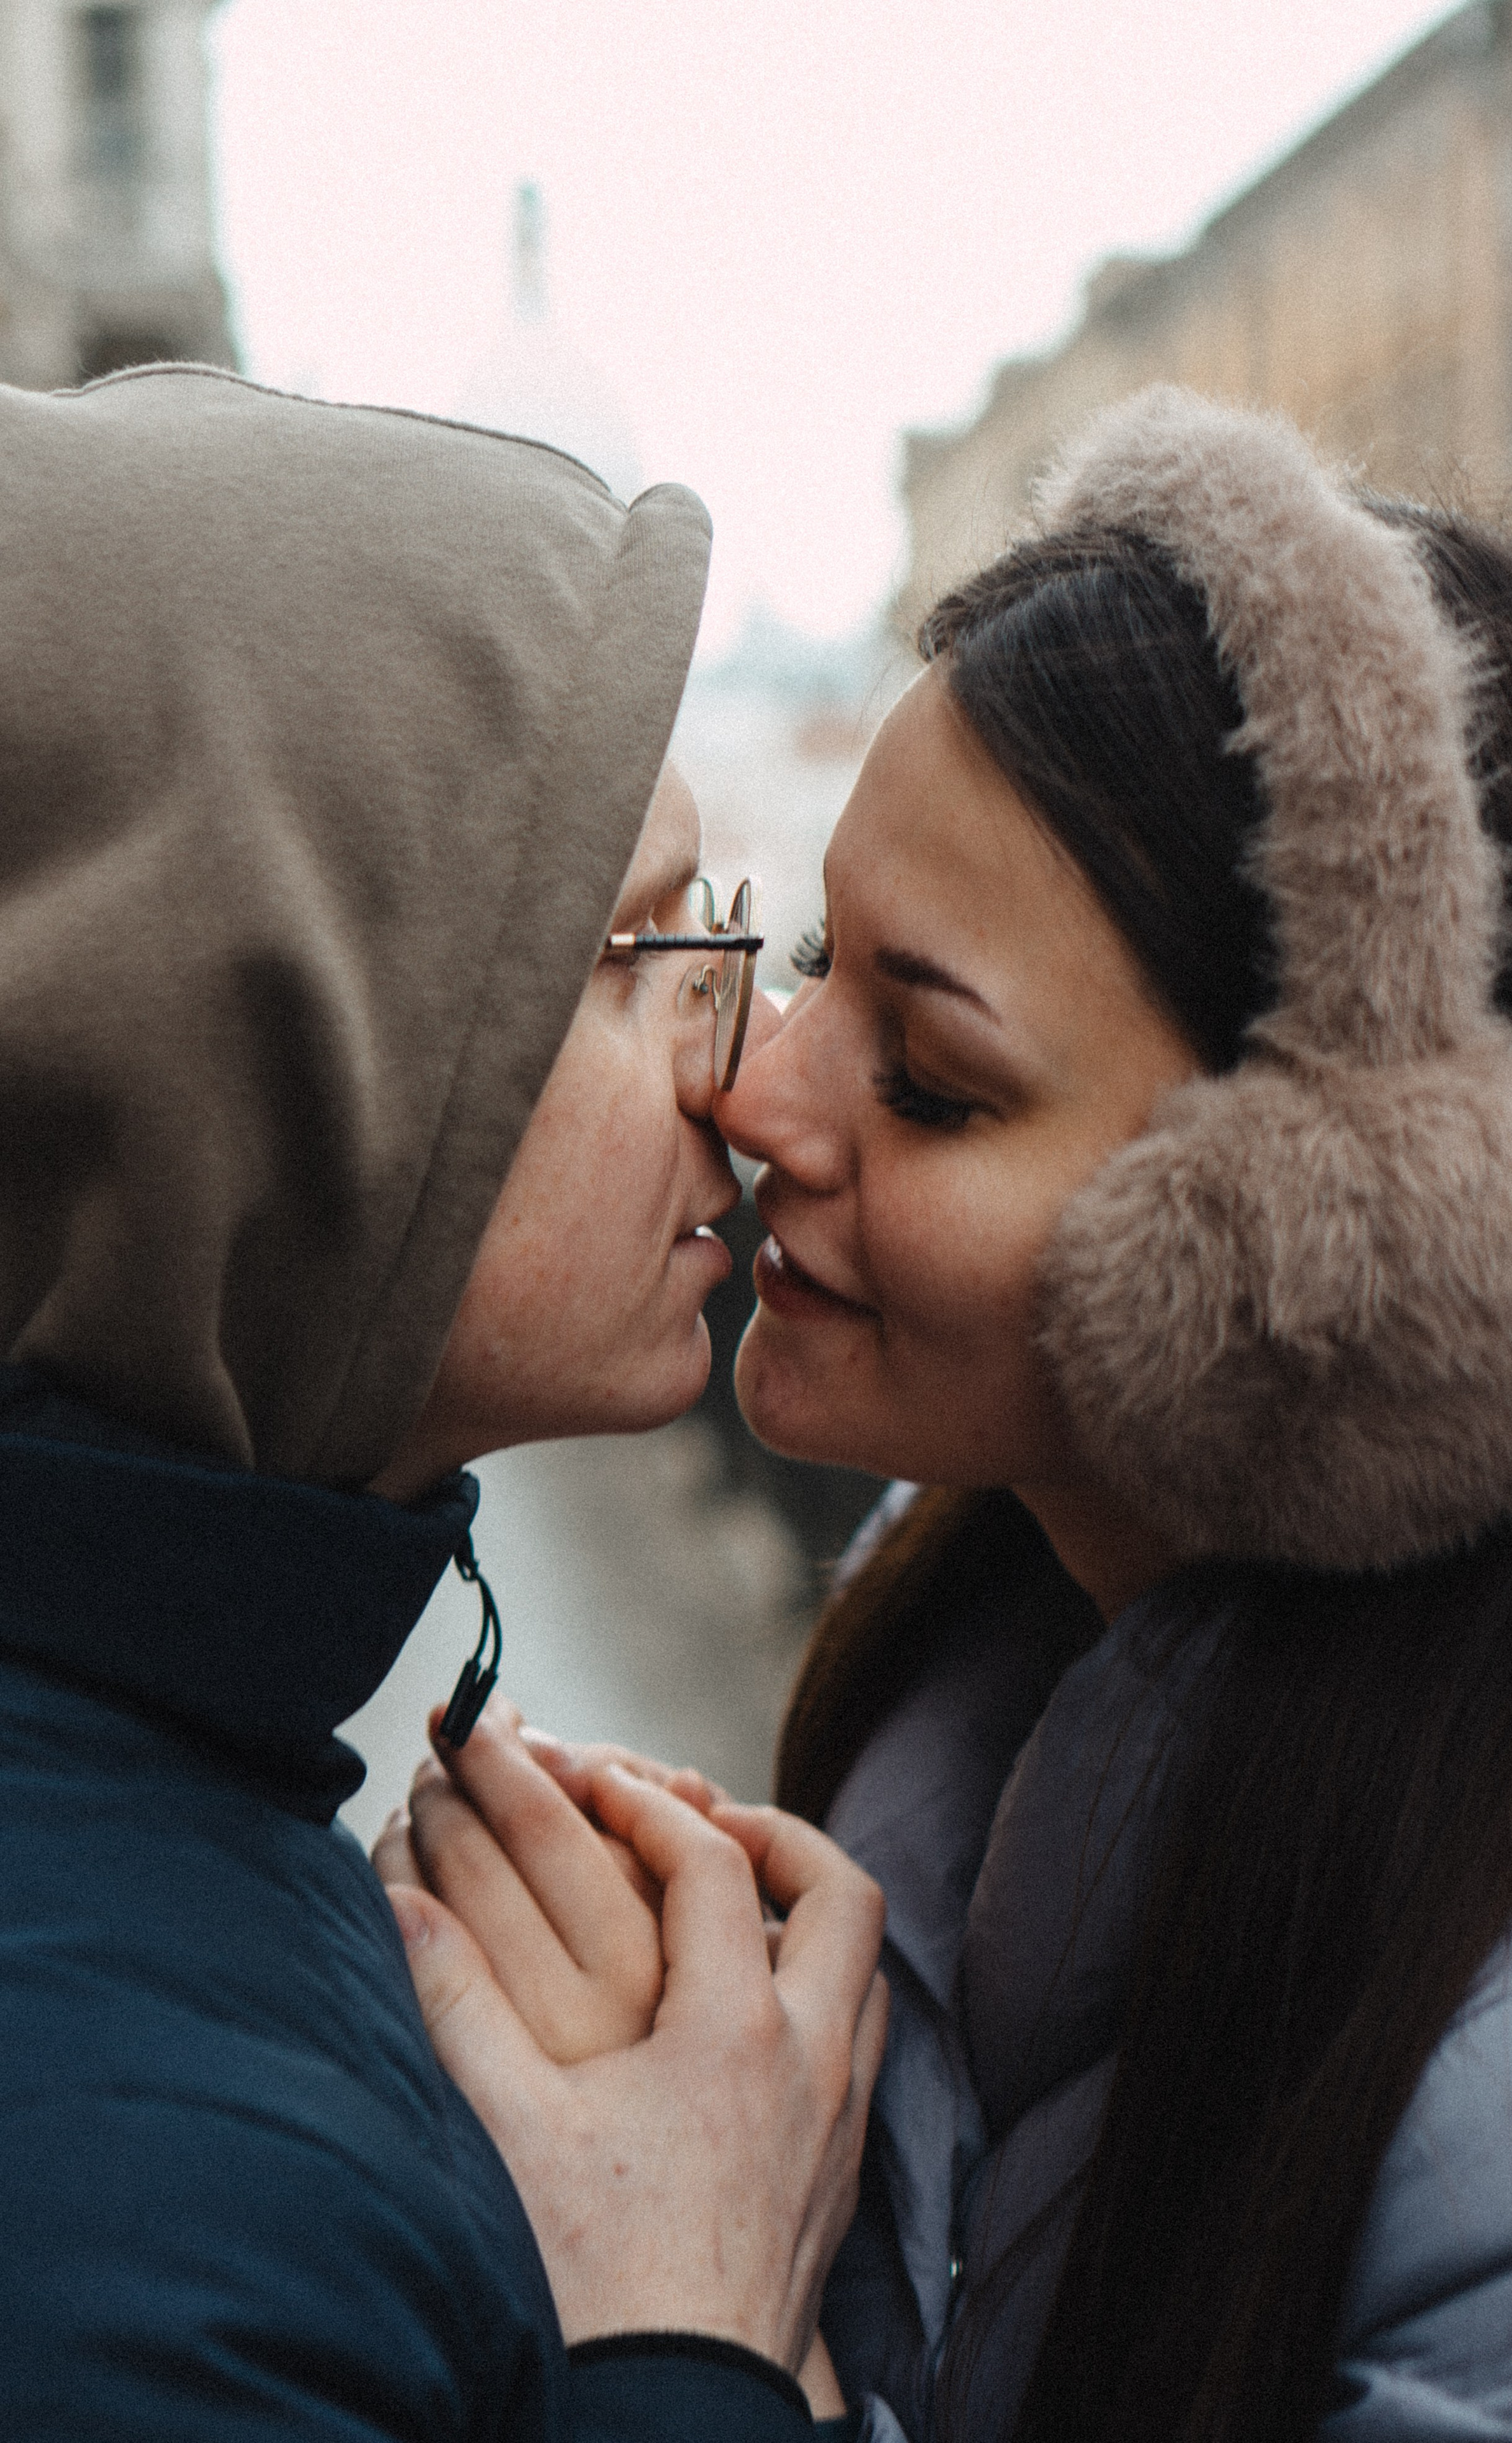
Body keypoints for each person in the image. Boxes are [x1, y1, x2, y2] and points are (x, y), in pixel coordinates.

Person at [389, 387, 1512, 2442]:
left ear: (1363, 1261)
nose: (758, 1099)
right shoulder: (970, 1687)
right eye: (809, 966)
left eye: (935, 1075)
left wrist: (688, 2327)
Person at [0, 362, 886, 2442]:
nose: (745, 1080)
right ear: (274, 1052)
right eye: (638, 940)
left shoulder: (163, 1786)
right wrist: (690, 2329)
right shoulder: (142, 2185)